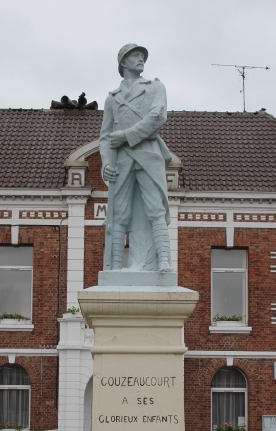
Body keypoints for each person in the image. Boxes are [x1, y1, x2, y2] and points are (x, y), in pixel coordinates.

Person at [99, 44, 174, 272]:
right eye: (135, 55)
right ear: (123, 62)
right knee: (118, 213)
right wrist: (105, 165)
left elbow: (157, 116)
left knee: (155, 209)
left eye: (142, 55)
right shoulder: (112, 98)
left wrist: (126, 135)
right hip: (121, 159)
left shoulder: (155, 87)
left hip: (148, 154)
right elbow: (104, 137)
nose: (141, 58)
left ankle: (163, 261)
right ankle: (113, 266)